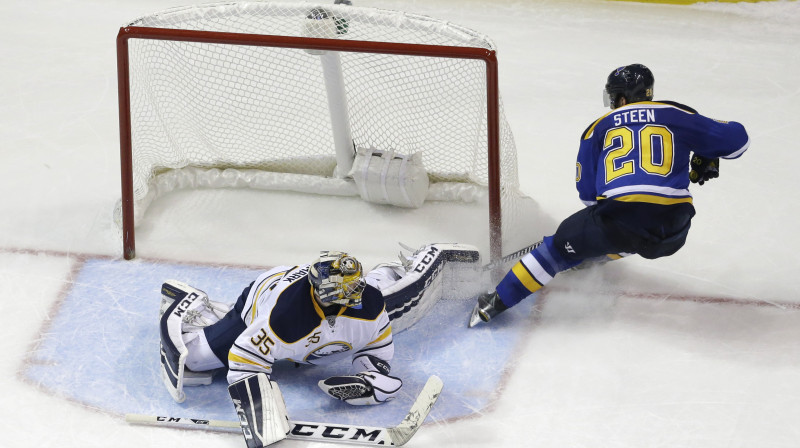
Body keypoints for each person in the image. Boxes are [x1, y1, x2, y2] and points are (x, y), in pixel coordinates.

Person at [469, 63, 750, 327]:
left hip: (622, 221)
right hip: (675, 228)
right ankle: (590, 253)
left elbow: (589, 195)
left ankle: (492, 305)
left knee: (559, 249)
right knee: (633, 232)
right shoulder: (678, 113)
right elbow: (738, 140)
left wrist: (588, 234)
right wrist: (707, 152)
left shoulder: (598, 127)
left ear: (623, 98)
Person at [158, 243, 479, 409]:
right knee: (196, 361)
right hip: (261, 295)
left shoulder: (367, 303)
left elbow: (377, 341)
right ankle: (205, 310)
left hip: (318, 325)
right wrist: (259, 404)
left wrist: (374, 373)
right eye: (351, 288)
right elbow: (246, 358)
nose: (360, 293)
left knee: (386, 297)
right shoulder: (282, 316)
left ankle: (388, 272)